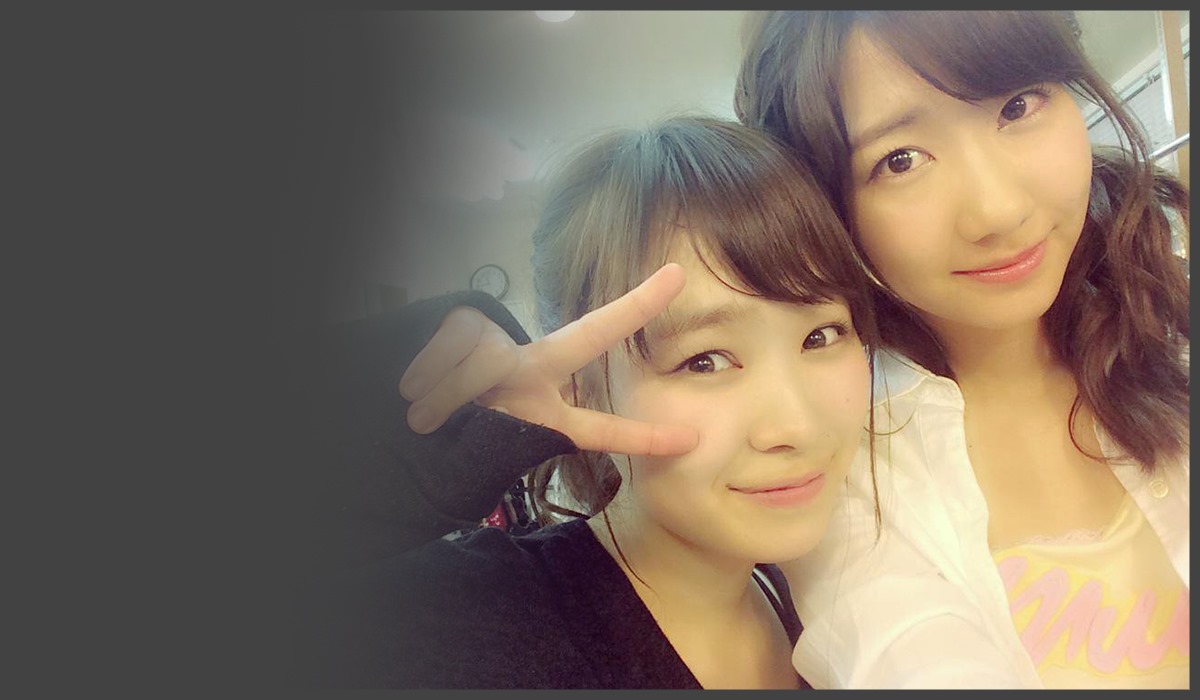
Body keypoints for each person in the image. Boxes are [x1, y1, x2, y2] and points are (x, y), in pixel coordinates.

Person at [309, 116, 882, 688]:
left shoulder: (814, 594)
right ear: (581, 387)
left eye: (821, 335)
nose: (798, 426)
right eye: (704, 361)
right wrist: (390, 432)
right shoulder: (479, 626)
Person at [733, 10, 1189, 688]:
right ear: (827, 211)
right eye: (900, 160)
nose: (998, 211)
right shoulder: (844, 468)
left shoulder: (1167, 324)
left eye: (1017, 106)